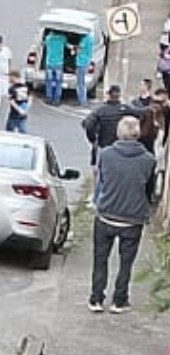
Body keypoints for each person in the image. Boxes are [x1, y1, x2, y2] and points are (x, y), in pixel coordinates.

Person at [88, 116, 155, 314]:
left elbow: (102, 180)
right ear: (138, 134)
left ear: (119, 133)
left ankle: (96, 298)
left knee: (100, 259)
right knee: (126, 263)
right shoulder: (149, 160)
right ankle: (119, 300)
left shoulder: (106, 155)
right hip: (133, 218)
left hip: (106, 213)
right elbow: (149, 191)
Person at [83, 85, 142, 205]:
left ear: (108, 95)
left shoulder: (101, 110)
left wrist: (93, 139)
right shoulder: (124, 109)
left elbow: (88, 124)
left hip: (104, 146)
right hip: (120, 146)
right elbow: (140, 112)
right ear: (119, 95)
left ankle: (97, 200)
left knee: (101, 175)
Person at [71, 30, 94, 107]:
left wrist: (73, 49)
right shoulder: (90, 38)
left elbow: (79, 49)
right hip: (86, 62)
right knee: (82, 83)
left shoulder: (84, 40)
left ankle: (82, 101)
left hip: (81, 63)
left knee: (80, 84)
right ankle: (82, 100)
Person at [43, 30, 67, 105]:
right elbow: (66, 44)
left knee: (49, 81)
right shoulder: (63, 38)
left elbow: (43, 44)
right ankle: (57, 99)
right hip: (59, 64)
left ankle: (49, 98)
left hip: (49, 63)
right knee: (58, 82)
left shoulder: (48, 38)